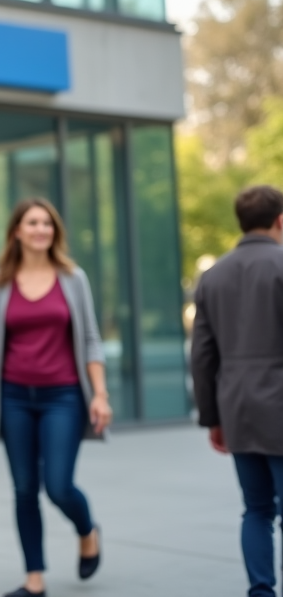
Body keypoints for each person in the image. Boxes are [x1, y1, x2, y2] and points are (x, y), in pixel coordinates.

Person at [0, 198, 111, 597]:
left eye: (46, 224)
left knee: (59, 485)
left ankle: (87, 529)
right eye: (32, 223)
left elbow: (90, 339)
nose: (40, 230)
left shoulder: (73, 278)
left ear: (54, 232)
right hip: (14, 396)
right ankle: (34, 578)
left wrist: (99, 394)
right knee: (24, 489)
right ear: (17, 231)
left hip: (62, 396)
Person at [191, 185, 283, 597]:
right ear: (280, 220)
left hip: (238, 410)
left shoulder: (213, 277)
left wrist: (211, 417)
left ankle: (260, 591)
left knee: (257, 509)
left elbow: (203, 357)